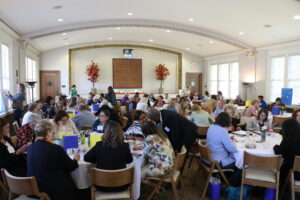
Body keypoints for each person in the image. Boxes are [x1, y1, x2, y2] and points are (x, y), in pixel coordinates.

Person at [27, 120, 80, 200]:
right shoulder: (55, 148)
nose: (53, 135)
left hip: (34, 188)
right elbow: (71, 166)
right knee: (72, 183)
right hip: (51, 190)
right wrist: (75, 159)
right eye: (53, 133)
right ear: (48, 132)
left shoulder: (30, 148)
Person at [84, 121, 133, 192]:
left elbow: (86, 158)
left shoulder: (99, 145)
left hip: (101, 186)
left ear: (105, 132)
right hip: (122, 185)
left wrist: (97, 159)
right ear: (120, 133)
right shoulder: (125, 146)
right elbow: (129, 160)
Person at [273, 119, 300, 187]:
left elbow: (278, 151)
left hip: (293, 172)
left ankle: (279, 189)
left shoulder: (288, 139)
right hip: (297, 170)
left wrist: (275, 146)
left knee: (279, 168)